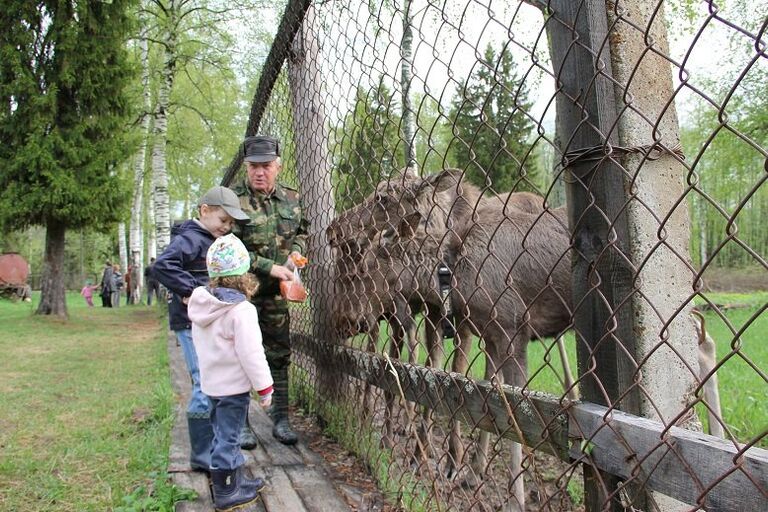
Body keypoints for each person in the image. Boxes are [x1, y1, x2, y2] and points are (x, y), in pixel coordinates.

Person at [152, 185, 249, 474]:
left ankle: (215, 447)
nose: (227, 227)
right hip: (190, 320)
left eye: (231, 223)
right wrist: (193, 290)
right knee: (202, 382)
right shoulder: (191, 239)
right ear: (204, 211)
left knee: (209, 380)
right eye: (223, 220)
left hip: (202, 321)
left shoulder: (208, 237)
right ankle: (202, 453)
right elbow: (162, 266)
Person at [232, 135, 309, 446]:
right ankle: (240, 423)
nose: (259, 173)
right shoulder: (233, 201)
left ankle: (281, 419)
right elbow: (228, 249)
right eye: (253, 167)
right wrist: (268, 266)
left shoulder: (292, 199)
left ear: (278, 166)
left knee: (278, 355)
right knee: (239, 356)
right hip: (240, 296)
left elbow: (303, 232)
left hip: (277, 296)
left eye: (265, 166)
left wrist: (296, 255)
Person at [188, 234, 273, 510]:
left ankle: (235, 479)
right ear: (244, 273)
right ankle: (225, 491)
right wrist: (265, 387)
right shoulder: (241, 311)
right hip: (233, 389)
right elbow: (251, 353)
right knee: (229, 436)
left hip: (212, 385)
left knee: (222, 432)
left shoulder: (204, 306)